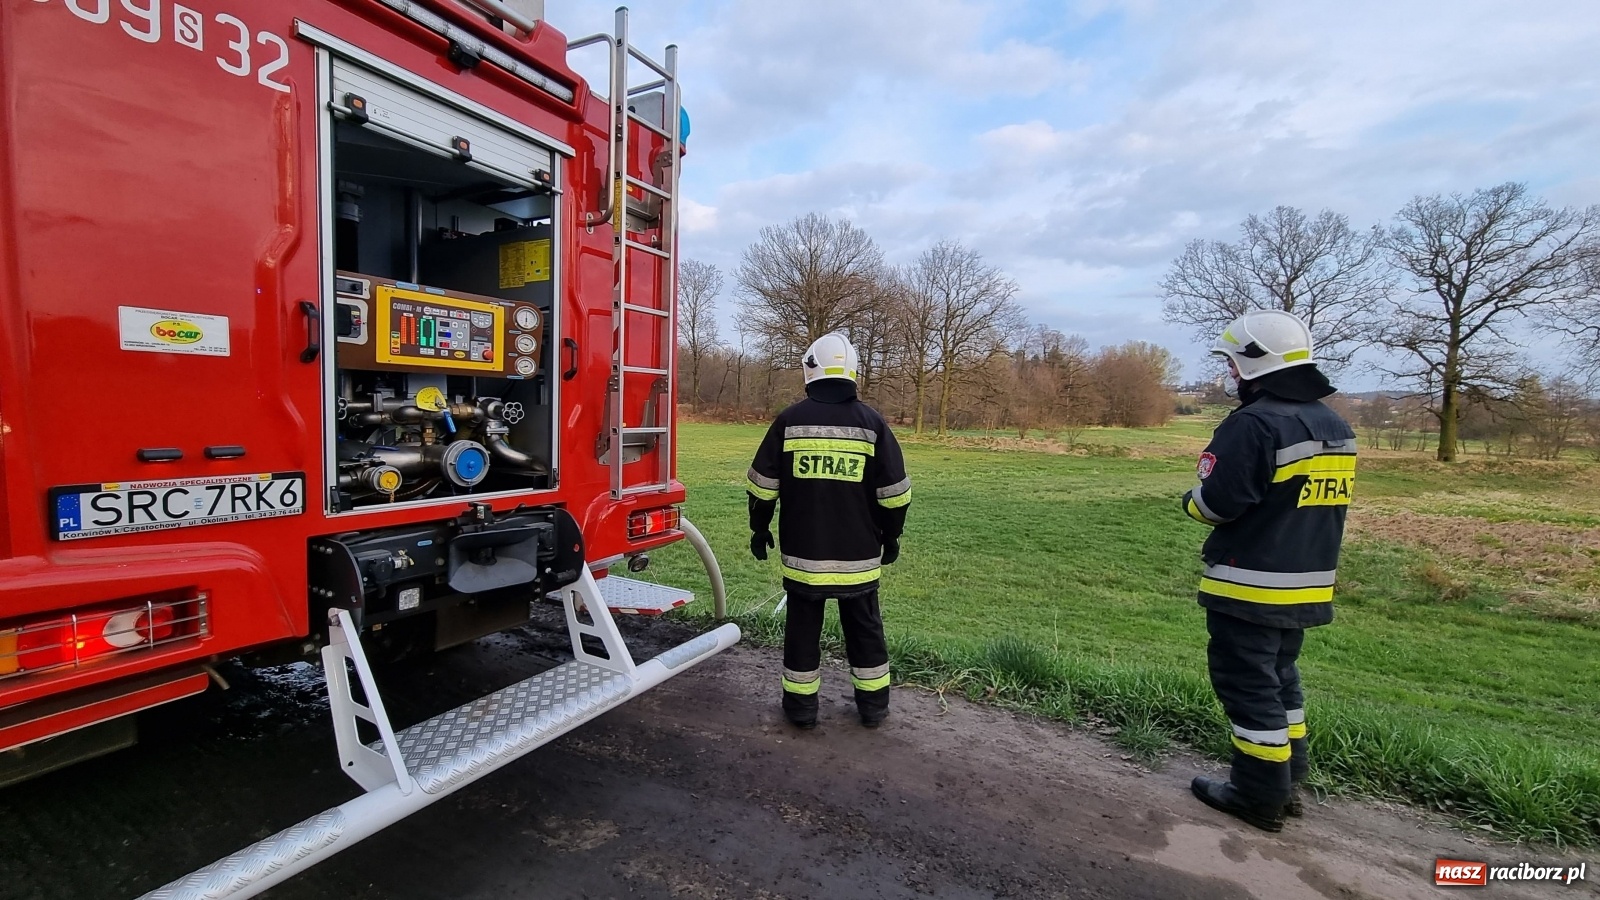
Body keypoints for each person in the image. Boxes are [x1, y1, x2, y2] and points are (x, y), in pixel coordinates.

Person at [1181, 309, 1356, 832]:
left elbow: (1218, 504)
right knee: (1281, 682)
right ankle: (1287, 781)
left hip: (1251, 584)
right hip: (1307, 583)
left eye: (1233, 364)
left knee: (1247, 686)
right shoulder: (1334, 425)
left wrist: (1190, 501)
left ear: (1255, 365)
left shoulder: (1254, 424)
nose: (1230, 374)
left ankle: (1257, 794)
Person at [746, 333, 911, 730]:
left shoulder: (789, 422)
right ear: (852, 371)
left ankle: (801, 710)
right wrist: (892, 536)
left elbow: (762, 487)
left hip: (805, 557)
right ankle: (873, 708)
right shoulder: (873, 424)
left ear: (810, 369)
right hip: (860, 557)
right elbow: (895, 494)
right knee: (865, 631)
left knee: (802, 632)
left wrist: (759, 527)